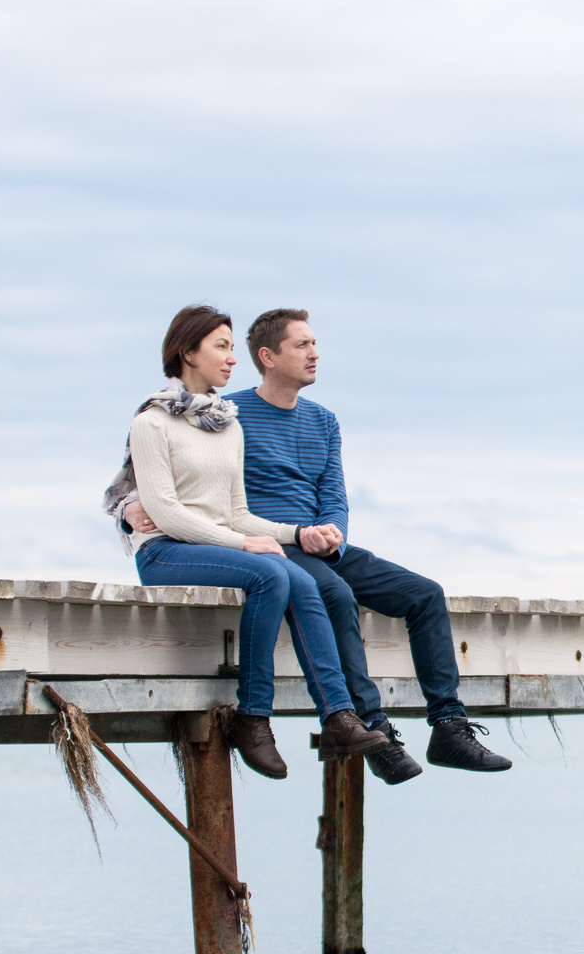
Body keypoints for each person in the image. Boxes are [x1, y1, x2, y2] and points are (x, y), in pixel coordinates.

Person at [125, 307, 511, 782]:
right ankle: (372, 730)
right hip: (264, 544)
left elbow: (332, 493)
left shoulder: (281, 421)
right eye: (303, 344)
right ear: (268, 357)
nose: (315, 353)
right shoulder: (219, 414)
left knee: (425, 593)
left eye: (315, 343)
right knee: (333, 594)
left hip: (312, 545)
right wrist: (128, 510)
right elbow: (151, 487)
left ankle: (449, 727)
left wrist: (330, 532)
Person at [105, 305, 388, 779]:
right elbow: (167, 513)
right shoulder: (152, 423)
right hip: (165, 551)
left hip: (216, 544)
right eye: (221, 347)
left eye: (233, 348)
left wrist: (294, 534)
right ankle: (253, 717)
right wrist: (243, 543)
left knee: (303, 580)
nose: (233, 359)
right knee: (271, 573)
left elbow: (237, 512)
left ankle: (339, 717)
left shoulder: (226, 423)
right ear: (187, 353)